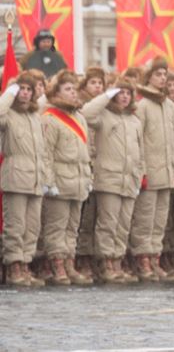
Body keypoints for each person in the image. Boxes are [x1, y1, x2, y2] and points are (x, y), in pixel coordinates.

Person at [81, 79, 144, 283]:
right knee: (108, 222)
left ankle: (117, 259)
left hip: (129, 179)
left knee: (123, 224)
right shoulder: (103, 116)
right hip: (109, 178)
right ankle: (106, 262)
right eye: (120, 92)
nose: (124, 96)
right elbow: (87, 113)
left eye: (128, 93)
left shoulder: (134, 121)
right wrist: (106, 95)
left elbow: (140, 153)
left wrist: (139, 175)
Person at [40, 70, 94, 285]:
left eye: (74, 89)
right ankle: (57, 264)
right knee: (57, 226)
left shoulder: (80, 117)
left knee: (73, 227)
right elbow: (46, 154)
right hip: (60, 180)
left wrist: (88, 177)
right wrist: (48, 182)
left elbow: (85, 151)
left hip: (79, 179)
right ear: (57, 92)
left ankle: (69, 262)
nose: (73, 93)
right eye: (68, 89)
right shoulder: (50, 118)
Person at [131, 57, 174, 282]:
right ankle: (143, 260)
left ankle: (155, 259)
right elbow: (137, 141)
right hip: (150, 171)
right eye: (158, 74)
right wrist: (141, 171)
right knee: (145, 220)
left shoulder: (168, 105)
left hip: (166, 172)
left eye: (164, 74)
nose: (162, 78)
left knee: (159, 221)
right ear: (148, 77)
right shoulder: (143, 105)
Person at [0, 74, 47, 287]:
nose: (26, 92)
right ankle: (14, 266)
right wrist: (8, 93)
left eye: (29, 89)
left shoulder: (35, 117)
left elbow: (43, 151)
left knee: (32, 227)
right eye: (22, 89)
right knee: (16, 226)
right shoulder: (7, 115)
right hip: (16, 175)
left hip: (36, 177)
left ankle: (26, 263)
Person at [74, 66, 106, 280]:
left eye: (100, 83)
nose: (97, 87)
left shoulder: (106, 106)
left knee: (97, 215)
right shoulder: (83, 107)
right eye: (93, 83)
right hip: (85, 165)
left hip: (101, 166)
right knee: (84, 219)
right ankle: (82, 257)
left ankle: (94, 257)